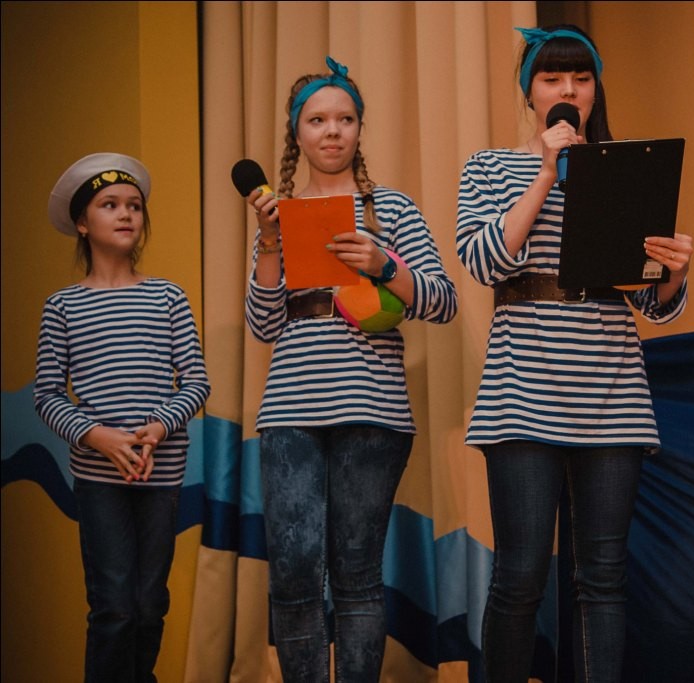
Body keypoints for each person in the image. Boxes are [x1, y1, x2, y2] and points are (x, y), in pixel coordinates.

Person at [456, 25, 692, 682]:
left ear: (595, 88)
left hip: (611, 386)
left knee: (604, 577)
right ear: (530, 91)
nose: (569, 90)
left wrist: (671, 271)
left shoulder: (625, 165)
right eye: (553, 78)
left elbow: (652, 304)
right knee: (520, 573)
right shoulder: (489, 167)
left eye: (581, 78)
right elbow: (484, 261)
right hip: (522, 387)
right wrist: (545, 172)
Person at [243, 56, 457, 682]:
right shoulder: (279, 214)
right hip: (290, 410)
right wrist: (269, 242)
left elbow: (443, 301)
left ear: (360, 129)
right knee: (293, 571)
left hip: (374, 408)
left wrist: (385, 266)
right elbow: (263, 325)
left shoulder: (392, 208)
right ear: (297, 132)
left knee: (358, 574)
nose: (332, 131)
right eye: (317, 120)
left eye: (345, 119)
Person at [35, 153, 211, 682]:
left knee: (149, 604)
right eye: (109, 205)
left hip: (161, 473)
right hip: (99, 478)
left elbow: (196, 382)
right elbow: (48, 395)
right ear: (82, 224)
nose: (126, 213)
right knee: (114, 607)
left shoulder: (168, 296)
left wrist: (158, 427)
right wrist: (99, 437)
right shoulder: (62, 306)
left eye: (134, 205)